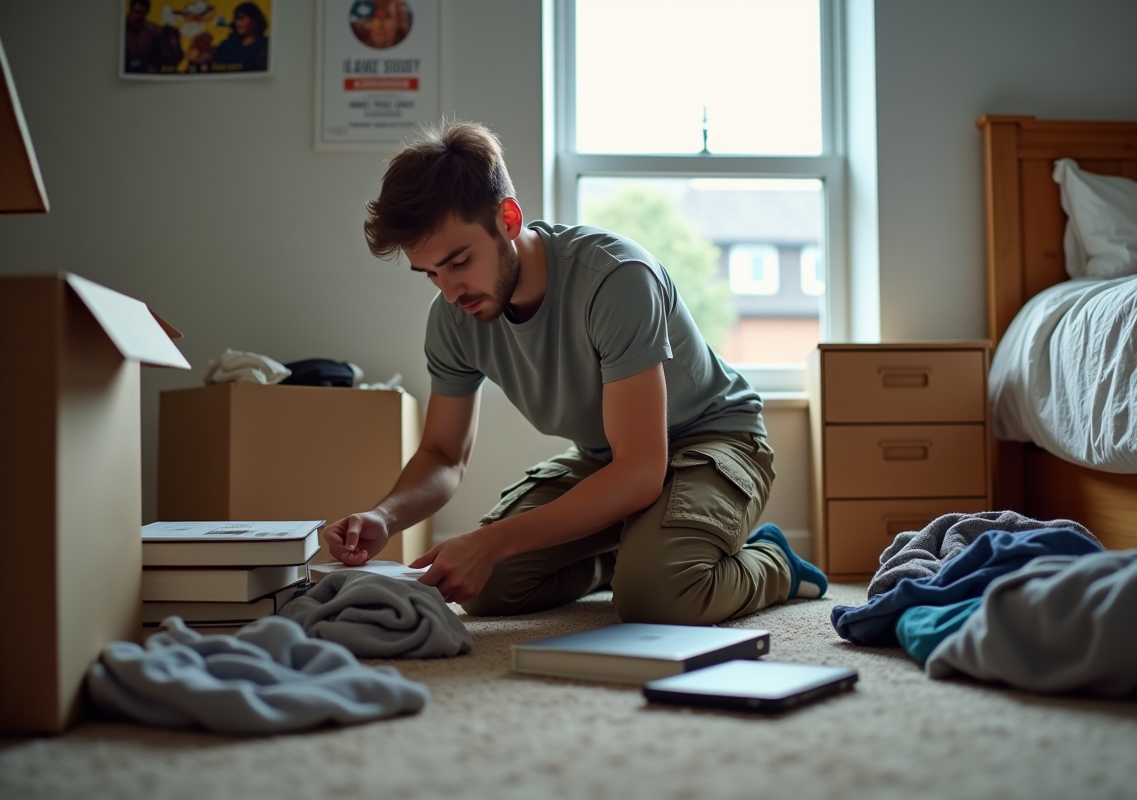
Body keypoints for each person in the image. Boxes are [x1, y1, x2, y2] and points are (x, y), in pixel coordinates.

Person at [325, 120, 828, 625]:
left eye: (459, 261)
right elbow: (442, 454)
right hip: (611, 459)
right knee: (483, 586)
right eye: (431, 274)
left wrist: (490, 540)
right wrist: (384, 516)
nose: (450, 291)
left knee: (657, 598)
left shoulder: (616, 279)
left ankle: (776, 563)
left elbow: (640, 470)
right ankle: (632, 555)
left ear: (508, 217)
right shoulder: (453, 318)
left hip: (714, 441)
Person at [124, 0, 183, 74]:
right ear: (130, 11)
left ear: (147, 13)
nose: (139, 16)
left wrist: (173, 43)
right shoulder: (119, 28)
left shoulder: (155, 32)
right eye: (136, 12)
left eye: (142, 13)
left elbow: (171, 59)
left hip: (146, 73)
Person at [213, 2, 269, 72]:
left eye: (242, 19)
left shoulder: (266, 45)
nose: (238, 23)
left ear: (254, 20)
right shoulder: (226, 46)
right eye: (236, 19)